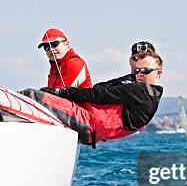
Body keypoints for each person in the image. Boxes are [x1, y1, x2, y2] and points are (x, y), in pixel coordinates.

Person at [22, 51, 163, 147]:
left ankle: (0, 109)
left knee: (32, 95)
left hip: (87, 121)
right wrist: (131, 77)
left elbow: (98, 94)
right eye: (136, 71)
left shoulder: (141, 90)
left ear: (159, 73)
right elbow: (100, 88)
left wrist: (62, 92)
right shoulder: (153, 97)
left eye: (145, 71)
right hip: (90, 129)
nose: (139, 75)